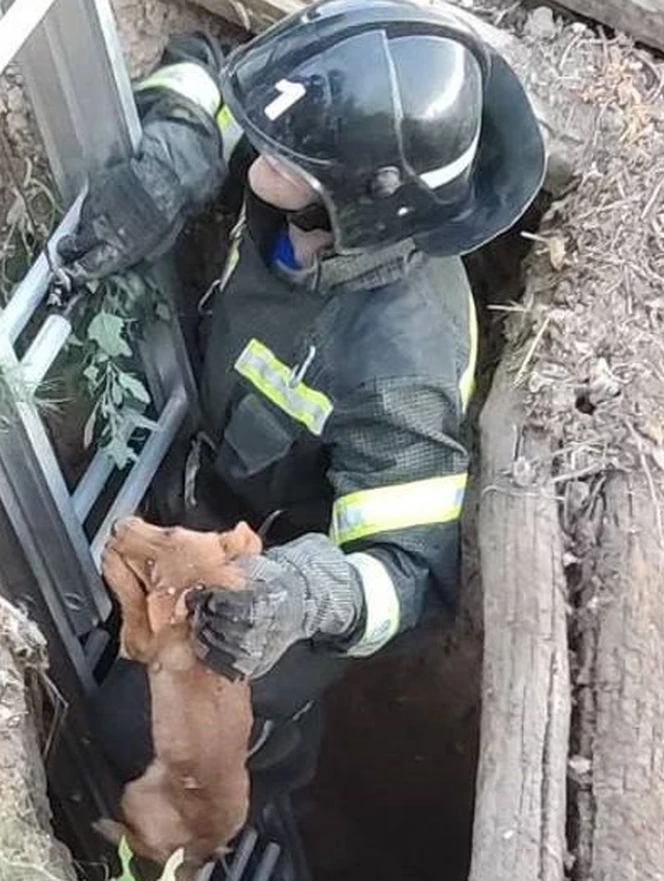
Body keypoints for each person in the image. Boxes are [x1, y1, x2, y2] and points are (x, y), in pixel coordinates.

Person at [59, 0, 545, 820]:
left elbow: (409, 576)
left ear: (362, 199)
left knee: (122, 733)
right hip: (210, 474)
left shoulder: (402, 367)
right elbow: (209, 67)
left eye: (291, 155)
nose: (262, 144)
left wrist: (301, 596)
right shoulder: (310, 169)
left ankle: (270, 755)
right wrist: (182, 142)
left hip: (282, 582)